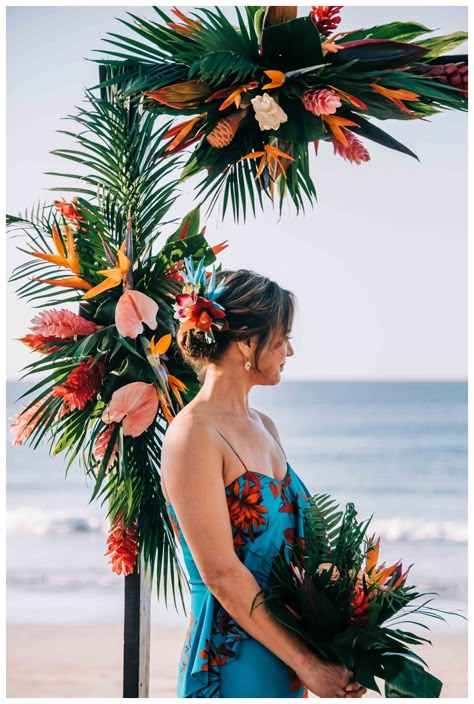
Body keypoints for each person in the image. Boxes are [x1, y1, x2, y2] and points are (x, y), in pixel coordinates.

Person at [161, 264, 367, 698]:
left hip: (285, 652)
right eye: (283, 338)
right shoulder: (192, 435)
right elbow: (221, 574)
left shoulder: (265, 426)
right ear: (247, 343)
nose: (289, 352)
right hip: (232, 657)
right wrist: (308, 664)